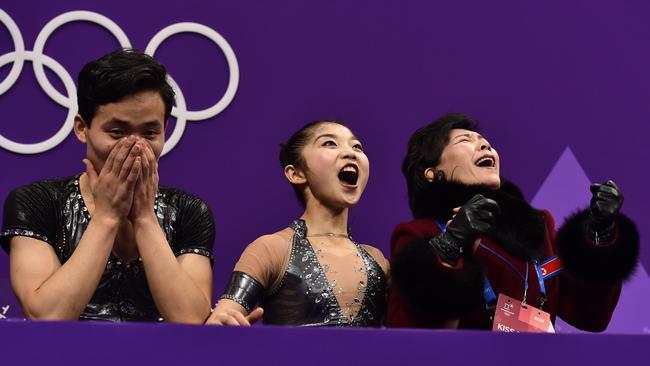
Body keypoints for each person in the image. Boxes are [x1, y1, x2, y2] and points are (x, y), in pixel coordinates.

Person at [0, 49, 215, 323]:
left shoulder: (189, 211)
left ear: (165, 132)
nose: (135, 146)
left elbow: (190, 321)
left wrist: (145, 218)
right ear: (82, 128)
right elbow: (48, 316)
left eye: (150, 133)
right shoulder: (36, 202)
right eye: (117, 132)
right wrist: (107, 216)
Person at [387, 113, 638, 331]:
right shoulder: (419, 236)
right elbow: (410, 335)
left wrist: (599, 233)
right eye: (466, 141)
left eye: (486, 143)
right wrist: (452, 244)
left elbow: (591, 316)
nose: (485, 147)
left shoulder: (538, 229)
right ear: (431, 173)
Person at [206, 120, 388, 327]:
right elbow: (221, 320)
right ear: (296, 173)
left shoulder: (379, 262)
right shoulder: (272, 249)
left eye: (357, 146)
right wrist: (225, 325)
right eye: (329, 143)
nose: (350, 153)